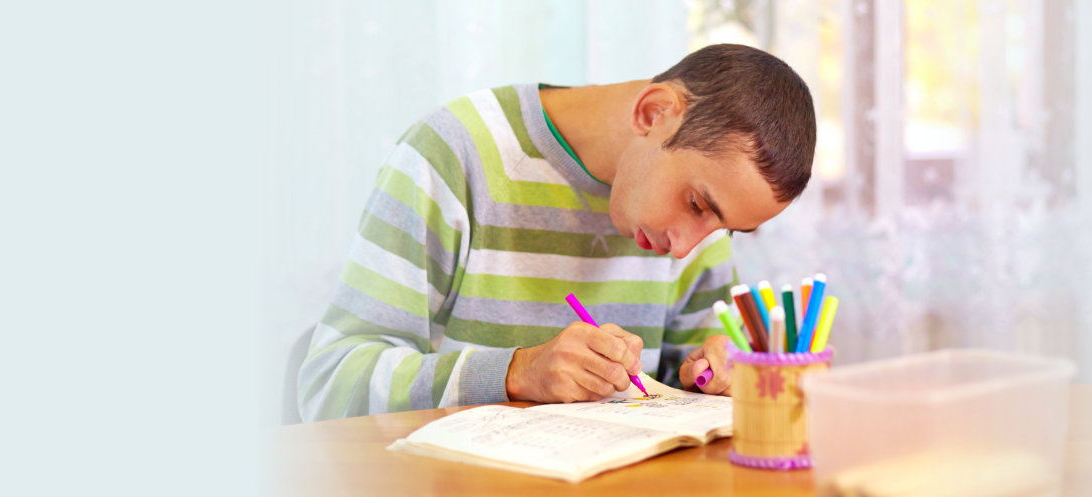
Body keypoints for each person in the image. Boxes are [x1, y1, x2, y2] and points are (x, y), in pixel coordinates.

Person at [296, 44, 816, 421]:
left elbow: (692, 390)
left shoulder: (699, 222)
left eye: (727, 229)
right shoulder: (455, 154)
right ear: (654, 113)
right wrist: (516, 372)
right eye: (698, 205)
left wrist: (723, 371)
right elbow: (329, 384)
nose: (687, 247)